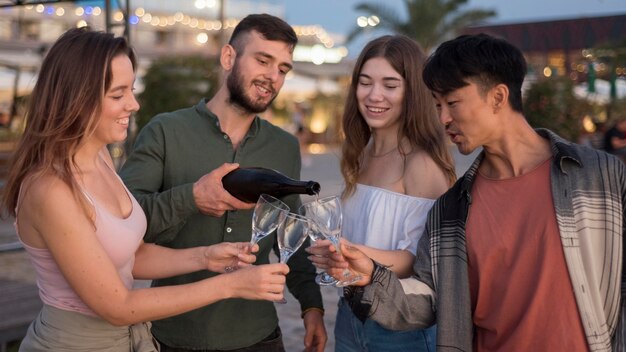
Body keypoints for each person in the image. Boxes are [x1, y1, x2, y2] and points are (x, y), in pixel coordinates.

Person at [320, 33, 626, 351]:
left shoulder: (597, 176)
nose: (443, 118)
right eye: (437, 105)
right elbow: (430, 300)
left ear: (497, 97)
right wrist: (371, 274)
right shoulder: (452, 208)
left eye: (452, 103)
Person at [0, 27, 290, 352]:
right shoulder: (49, 189)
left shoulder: (99, 157)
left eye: (132, 90)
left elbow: (128, 256)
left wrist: (205, 257)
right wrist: (231, 285)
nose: (134, 104)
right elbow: (118, 306)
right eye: (118, 94)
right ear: (75, 97)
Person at [119, 14, 326, 352]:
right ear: (229, 57)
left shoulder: (284, 147)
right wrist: (192, 197)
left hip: (260, 337)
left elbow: (293, 233)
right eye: (263, 60)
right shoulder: (165, 131)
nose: (272, 77)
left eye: (283, 69)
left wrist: (312, 306)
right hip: (172, 336)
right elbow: (124, 223)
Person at [312, 35, 455, 352]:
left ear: (412, 92)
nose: (374, 95)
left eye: (390, 85)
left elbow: (419, 262)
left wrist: (352, 251)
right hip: (350, 314)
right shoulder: (361, 153)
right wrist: (335, 253)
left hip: (400, 326)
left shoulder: (422, 163)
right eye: (365, 83)